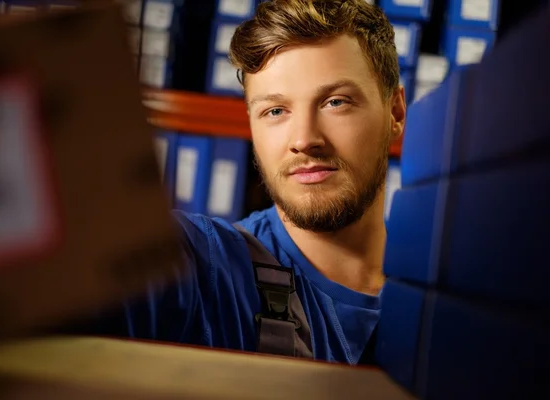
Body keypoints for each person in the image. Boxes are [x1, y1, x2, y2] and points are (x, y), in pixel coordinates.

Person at [68, 0, 406, 364]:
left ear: (395, 113)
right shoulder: (210, 270)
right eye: (275, 111)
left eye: (335, 102)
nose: (304, 138)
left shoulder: (458, 299)